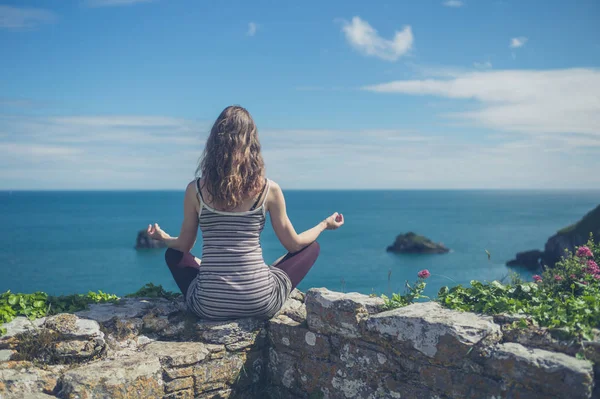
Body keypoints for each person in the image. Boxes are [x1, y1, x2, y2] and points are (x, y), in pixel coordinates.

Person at [147, 105, 344, 320]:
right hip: (260, 302)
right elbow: (294, 245)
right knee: (311, 247)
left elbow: (183, 247)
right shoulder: (269, 190)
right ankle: (257, 277)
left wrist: (163, 237)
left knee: (173, 254)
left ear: (214, 143)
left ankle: (220, 281)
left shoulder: (195, 190)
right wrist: (325, 224)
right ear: (252, 143)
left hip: (209, 306)